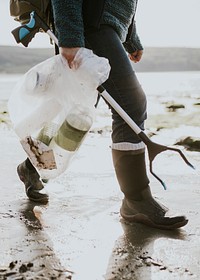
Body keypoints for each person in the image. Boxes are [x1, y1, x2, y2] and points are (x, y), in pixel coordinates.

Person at [17, 0, 188, 230]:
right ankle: (136, 200)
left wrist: (130, 36)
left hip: (104, 27)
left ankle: (31, 166)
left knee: (72, 109)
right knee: (131, 104)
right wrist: (70, 37)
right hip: (90, 26)